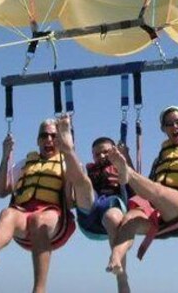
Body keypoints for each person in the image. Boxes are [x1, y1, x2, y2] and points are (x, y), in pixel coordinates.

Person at [105, 106, 178, 278]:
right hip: (155, 207)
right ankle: (115, 259)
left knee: (157, 191)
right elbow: (144, 184)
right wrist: (127, 158)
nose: (175, 126)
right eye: (169, 124)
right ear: (164, 129)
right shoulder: (163, 154)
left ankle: (126, 172)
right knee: (129, 220)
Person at [0, 118, 75, 293]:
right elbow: (0, 192)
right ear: (38, 140)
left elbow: (71, 202)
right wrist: (6, 155)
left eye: (54, 136)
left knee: (39, 220)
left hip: (55, 220)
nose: (49, 140)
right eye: (44, 135)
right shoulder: (25, 164)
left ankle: (39, 289)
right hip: (24, 215)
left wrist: (70, 152)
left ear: (60, 139)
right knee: (7, 212)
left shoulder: (68, 163)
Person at [55, 114, 132, 293]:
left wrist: (124, 164)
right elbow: (69, 203)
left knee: (112, 217)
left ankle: (121, 276)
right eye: (97, 154)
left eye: (106, 151)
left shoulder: (121, 166)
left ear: (114, 151)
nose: (101, 156)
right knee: (83, 180)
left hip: (113, 205)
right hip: (89, 210)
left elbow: (133, 190)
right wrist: (68, 182)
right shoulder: (89, 169)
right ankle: (68, 149)